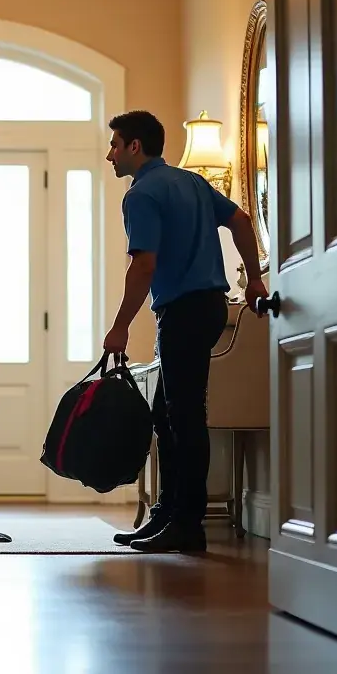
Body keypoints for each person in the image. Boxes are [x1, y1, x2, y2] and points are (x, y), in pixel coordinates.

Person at [103, 110, 265, 553]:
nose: (110, 154)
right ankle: (167, 513)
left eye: (115, 144)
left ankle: (187, 524)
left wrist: (119, 327)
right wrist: (253, 277)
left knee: (185, 417)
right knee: (167, 413)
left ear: (135, 146)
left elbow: (144, 265)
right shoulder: (192, 183)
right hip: (210, 307)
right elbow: (242, 221)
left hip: (183, 311)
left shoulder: (142, 195)